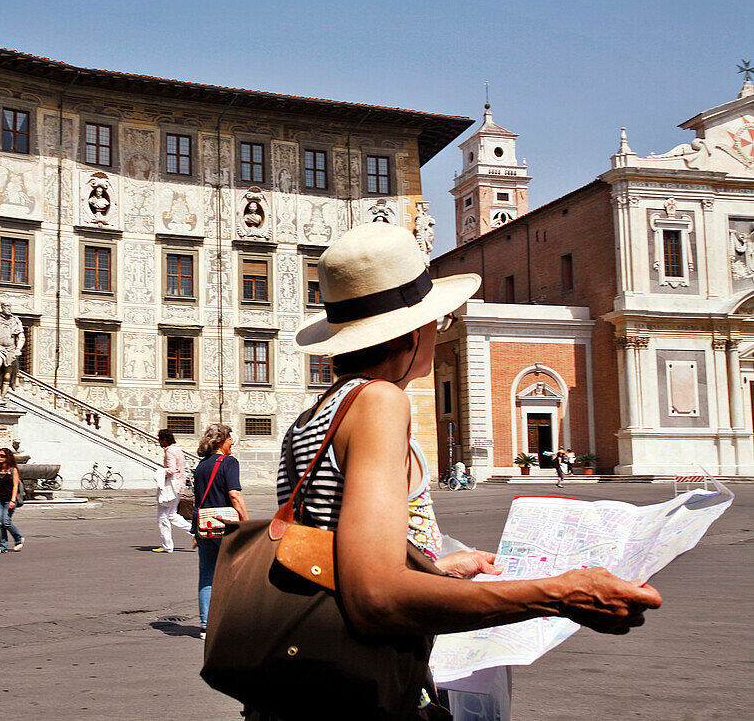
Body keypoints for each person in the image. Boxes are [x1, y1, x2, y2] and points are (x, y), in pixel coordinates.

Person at [270, 222, 660, 716]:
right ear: (414, 333)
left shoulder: (312, 416)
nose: (441, 330)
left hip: (307, 685)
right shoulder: (379, 403)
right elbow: (374, 595)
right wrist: (561, 593)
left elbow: (337, 555)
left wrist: (436, 567)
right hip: (367, 693)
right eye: (439, 321)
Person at [193, 424, 248, 640]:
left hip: (204, 525)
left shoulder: (202, 465)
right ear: (221, 441)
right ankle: (232, 622)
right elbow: (234, 495)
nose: (232, 442)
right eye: (230, 439)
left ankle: (206, 626)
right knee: (235, 574)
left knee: (207, 575)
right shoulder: (229, 462)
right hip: (226, 525)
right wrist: (246, 522)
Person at [153, 429, 191, 553]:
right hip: (179, 486)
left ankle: (167, 546)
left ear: (165, 440)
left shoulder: (169, 451)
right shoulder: (178, 450)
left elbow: (171, 470)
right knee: (172, 515)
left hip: (171, 487)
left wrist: (160, 472)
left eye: (160, 440)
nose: (159, 442)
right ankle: (195, 533)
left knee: (163, 517)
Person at [0, 448, 24, 554]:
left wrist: (13, 500)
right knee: (0, 523)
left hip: (9, 500)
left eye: (2, 456)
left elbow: (15, 486)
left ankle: (18, 538)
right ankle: (2, 546)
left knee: (6, 522)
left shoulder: (13, 470)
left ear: (8, 457)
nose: (0, 458)